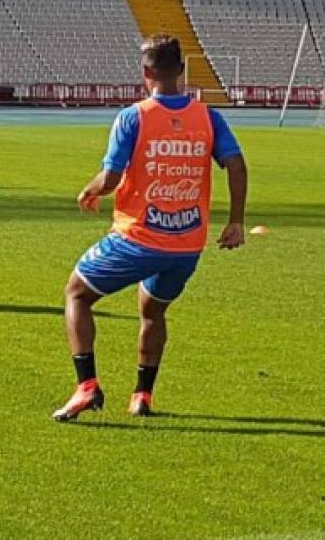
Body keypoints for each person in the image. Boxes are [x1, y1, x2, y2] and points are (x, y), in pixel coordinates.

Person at [53, 34, 248, 422]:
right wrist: (236, 221)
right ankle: (142, 395)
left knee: (76, 293)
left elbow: (110, 178)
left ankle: (86, 386)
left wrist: (90, 189)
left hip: (138, 238)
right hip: (187, 245)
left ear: (145, 72)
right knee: (152, 311)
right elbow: (237, 165)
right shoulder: (208, 117)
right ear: (180, 70)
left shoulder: (134, 116)